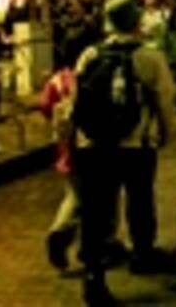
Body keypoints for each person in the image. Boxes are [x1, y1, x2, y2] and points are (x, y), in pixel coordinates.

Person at [74, 0, 176, 306]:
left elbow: (77, 99)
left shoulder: (90, 54)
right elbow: (165, 100)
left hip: (93, 145)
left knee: (96, 210)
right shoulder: (149, 57)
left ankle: (94, 275)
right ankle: (142, 253)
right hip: (135, 144)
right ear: (136, 22)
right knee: (140, 199)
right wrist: (164, 133)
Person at [39, 62, 126, 272]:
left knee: (75, 193)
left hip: (67, 147)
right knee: (101, 195)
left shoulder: (57, 80)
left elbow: (44, 106)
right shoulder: (97, 75)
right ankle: (73, 234)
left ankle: (63, 232)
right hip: (95, 144)